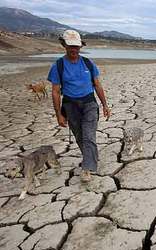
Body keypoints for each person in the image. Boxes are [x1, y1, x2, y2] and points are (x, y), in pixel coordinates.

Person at [47, 30, 111, 182]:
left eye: (77, 47)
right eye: (71, 46)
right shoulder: (58, 66)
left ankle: (87, 168)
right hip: (70, 106)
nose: (74, 50)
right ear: (64, 45)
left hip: (89, 103)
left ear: (80, 47)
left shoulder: (88, 63)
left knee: (89, 136)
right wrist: (59, 114)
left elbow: (97, 85)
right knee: (80, 137)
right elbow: (55, 92)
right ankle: (91, 157)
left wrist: (105, 105)